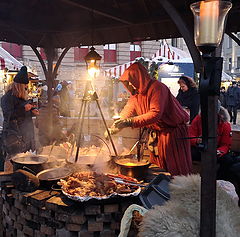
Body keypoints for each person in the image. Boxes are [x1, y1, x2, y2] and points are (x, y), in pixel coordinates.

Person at [106, 62, 192, 176]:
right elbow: (128, 111)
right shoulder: (136, 95)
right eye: (127, 83)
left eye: (131, 82)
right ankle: (158, 189)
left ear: (139, 79)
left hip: (171, 134)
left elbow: (155, 113)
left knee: (173, 169)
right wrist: (114, 127)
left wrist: (129, 122)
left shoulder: (157, 88)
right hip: (158, 134)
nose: (129, 86)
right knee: (158, 170)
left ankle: (176, 192)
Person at [1, 66, 39, 158]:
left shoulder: (21, 98)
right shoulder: (7, 98)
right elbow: (9, 116)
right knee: (14, 162)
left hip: (25, 137)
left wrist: (31, 111)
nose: (26, 87)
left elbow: (22, 114)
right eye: (25, 86)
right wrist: (23, 109)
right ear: (19, 86)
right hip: (14, 139)